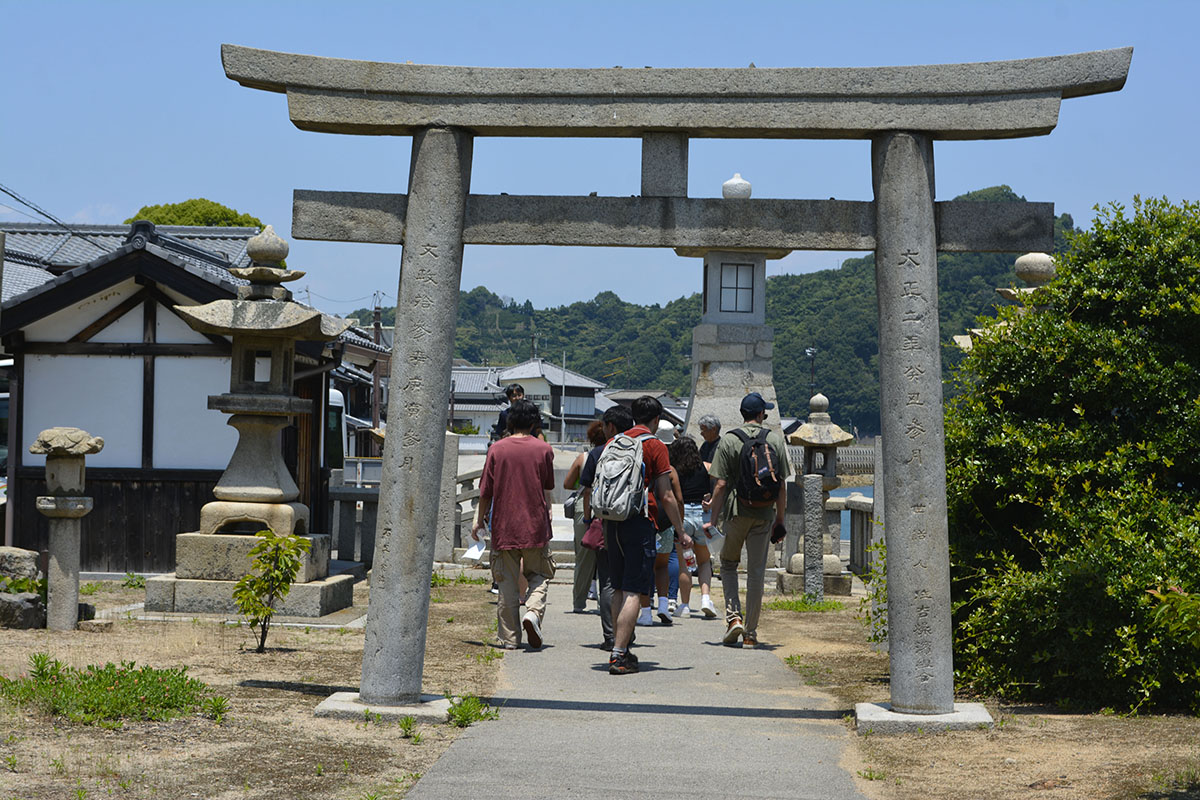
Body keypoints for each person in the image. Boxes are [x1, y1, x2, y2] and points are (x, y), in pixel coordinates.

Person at [605, 396, 690, 675]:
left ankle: (621, 646)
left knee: (617, 586)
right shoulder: (654, 445)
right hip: (639, 522)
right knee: (634, 590)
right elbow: (666, 494)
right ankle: (618, 655)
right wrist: (680, 530)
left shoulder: (615, 441)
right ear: (656, 420)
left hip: (612, 521)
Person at [703, 392, 790, 649]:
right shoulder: (774, 439)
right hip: (764, 515)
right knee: (756, 573)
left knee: (728, 565)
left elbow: (720, 484)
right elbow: (782, 485)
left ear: (742, 414)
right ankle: (751, 633)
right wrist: (780, 519)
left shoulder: (729, 440)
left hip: (736, 513)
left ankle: (733, 619)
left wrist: (712, 520)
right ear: (761, 414)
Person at [472, 399, 556, 650]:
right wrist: (548, 510)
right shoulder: (544, 450)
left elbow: (486, 491)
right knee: (539, 575)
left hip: (504, 526)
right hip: (535, 525)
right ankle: (532, 612)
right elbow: (547, 486)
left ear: (509, 422)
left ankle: (509, 639)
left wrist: (478, 521)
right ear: (534, 423)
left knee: (506, 582)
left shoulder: (497, 449)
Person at [578, 405, 635, 649]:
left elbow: (588, 491)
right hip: (633, 522)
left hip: (605, 523)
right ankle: (627, 634)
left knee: (608, 583)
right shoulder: (638, 449)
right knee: (629, 584)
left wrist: (589, 520)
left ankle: (611, 636)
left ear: (610, 427)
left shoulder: (598, 452)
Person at [667, 434, 718, 619]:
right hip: (702, 516)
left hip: (683, 516)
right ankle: (706, 599)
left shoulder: (673, 470)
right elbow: (721, 481)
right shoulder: (705, 466)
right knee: (704, 561)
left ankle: (685, 605)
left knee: (684, 564)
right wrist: (711, 500)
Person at [564, 420, 607, 613]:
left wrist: (580, 487)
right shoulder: (613, 455)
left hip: (584, 507)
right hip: (607, 507)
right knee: (607, 557)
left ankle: (578, 602)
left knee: (583, 559)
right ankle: (604, 603)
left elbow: (567, 483)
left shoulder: (584, 457)